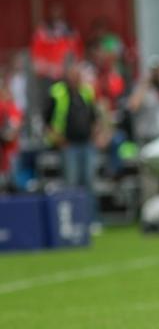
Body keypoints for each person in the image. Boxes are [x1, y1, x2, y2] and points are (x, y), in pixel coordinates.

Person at [44, 63, 100, 225]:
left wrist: (96, 134)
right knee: (72, 183)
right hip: (69, 145)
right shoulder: (57, 92)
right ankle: (74, 220)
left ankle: (91, 219)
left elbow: (93, 116)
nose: (75, 79)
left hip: (86, 143)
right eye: (72, 75)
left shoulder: (86, 91)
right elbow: (46, 120)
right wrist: (57, 139)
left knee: (89, 182)